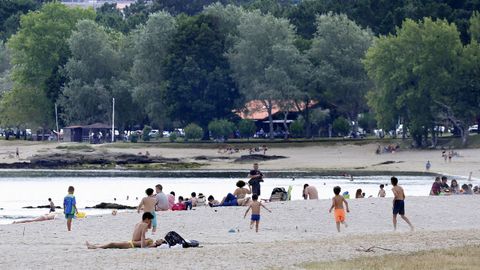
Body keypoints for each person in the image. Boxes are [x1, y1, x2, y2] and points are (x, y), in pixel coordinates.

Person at [86, 213, 163, 249]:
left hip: (131, 242)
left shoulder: (138, 223)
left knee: (112, 244)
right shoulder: (144, 225)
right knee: (112, 244)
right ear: (147, 219)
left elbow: (139, 237)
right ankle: (94, 247)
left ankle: (96, 245)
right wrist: (143, 247)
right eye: (150, 220)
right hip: (131, 244)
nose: (150, 222)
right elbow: (142, 236)